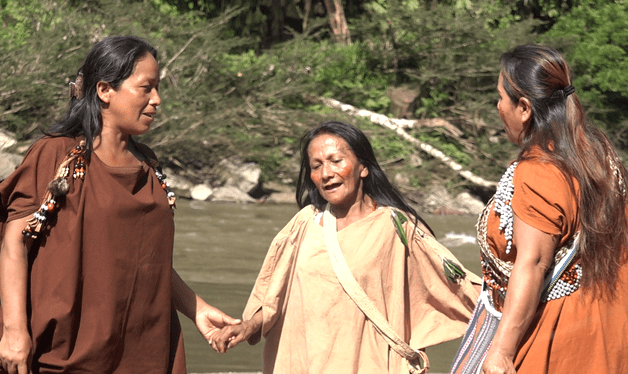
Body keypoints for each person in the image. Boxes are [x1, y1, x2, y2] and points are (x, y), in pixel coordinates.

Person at [0, 36, 238, 374]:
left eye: (158, 89)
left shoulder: (150, 166)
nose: (157, 101)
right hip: (64, 357)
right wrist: (13, 332)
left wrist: (196, 308)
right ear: (104, 90)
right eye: (146, 88)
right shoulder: (57, 155)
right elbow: (15, 243)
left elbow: (149, 264)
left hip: (146, 356)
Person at [211, 120, 481, 373]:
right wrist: (247, 327)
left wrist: (512, 310)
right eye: (316, 166)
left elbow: (456, 286)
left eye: (335, 161)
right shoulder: (304, 224)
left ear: (363, 167)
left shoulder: (396, 228)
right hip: (304, 362)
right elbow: (271, 297)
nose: (326, 173)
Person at [451, 44, 628, 374]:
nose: (497, 107)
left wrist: (502, 352)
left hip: (556, 342)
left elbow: (534, 262)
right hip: (615, 334)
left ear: (524, 107)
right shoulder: (598, 153)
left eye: (500, 97)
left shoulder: (539, 171)